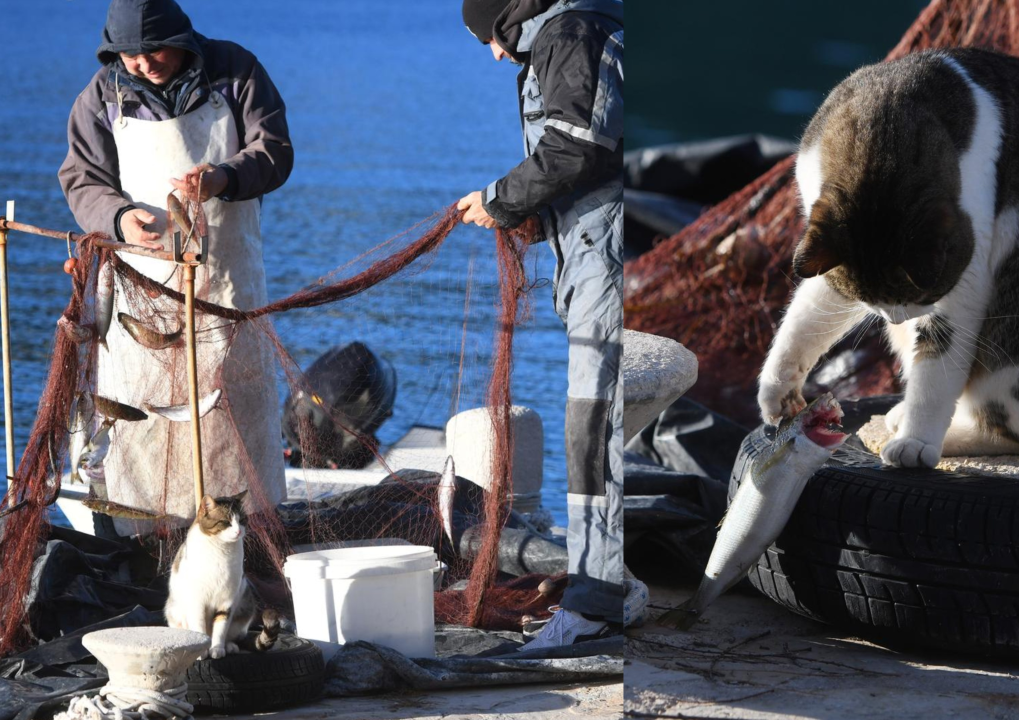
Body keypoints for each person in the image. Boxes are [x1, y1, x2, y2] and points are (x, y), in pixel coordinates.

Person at [59, 0, 292, 532]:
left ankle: (246, 537)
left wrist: (225, 178)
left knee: (232, 415)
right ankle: (145, 537)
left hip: (229, 287)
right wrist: (120, 219)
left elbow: (275, 150)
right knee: (143, 420)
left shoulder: (235, 70)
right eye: (130, 56)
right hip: (140, 291)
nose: (143, 64)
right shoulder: (101, 95)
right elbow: (82, 178)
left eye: (154, 51)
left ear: (181, 39)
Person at [458, 0, 624, 648]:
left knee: (593, 428)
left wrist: (499, 200)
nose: (496, 55)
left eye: (489, 39)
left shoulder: (567, 33)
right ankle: (617, 583)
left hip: (605, 262)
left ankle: (593, 607)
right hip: (592, 254)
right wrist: (535, 216)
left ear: (506, 16)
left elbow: (575, 147)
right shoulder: (578, 27)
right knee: (599, 426)